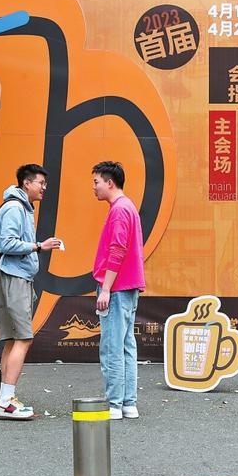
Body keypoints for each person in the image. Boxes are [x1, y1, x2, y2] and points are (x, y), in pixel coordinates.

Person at [0, 163, 62, 420]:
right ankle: (6, 401)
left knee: (12, 340)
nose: (44, 188)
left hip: (11, 278)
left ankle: (4, 398)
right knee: (23, 338)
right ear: (26, 183)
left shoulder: (18, 206)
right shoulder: (15, 208)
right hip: (15, 279)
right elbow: (7, 243)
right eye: (40, 183)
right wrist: (39, 246)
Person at [92, 161, 146, 420]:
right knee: (125, 346)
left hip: (117, 288)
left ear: (109, 183)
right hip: (128, 287)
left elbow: (117, 250)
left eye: (96, 182)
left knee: (112, 348)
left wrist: (105, 288)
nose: (94, 187)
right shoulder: (128, 207)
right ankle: (128, 403)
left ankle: (114, 404)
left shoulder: (119, 210)